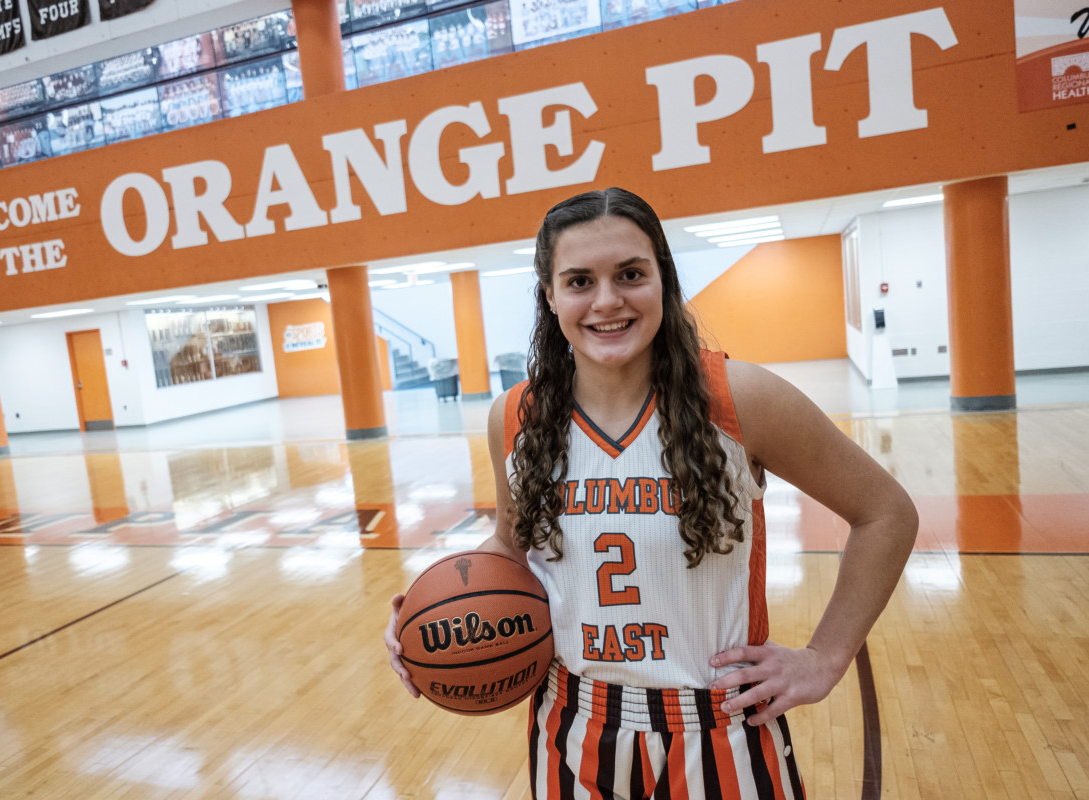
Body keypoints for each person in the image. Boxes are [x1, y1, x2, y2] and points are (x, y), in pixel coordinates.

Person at [384, 187, 918, 799]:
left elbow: (885, 512)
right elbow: (510, 546)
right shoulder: (515, 418)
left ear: (662, 278)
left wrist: (826, 659)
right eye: (579, 280)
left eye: (630, 274)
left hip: (719, 728)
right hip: (572, 726)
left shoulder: (740, 399)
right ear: (550, 295)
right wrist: (433, 618)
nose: (606, 300)